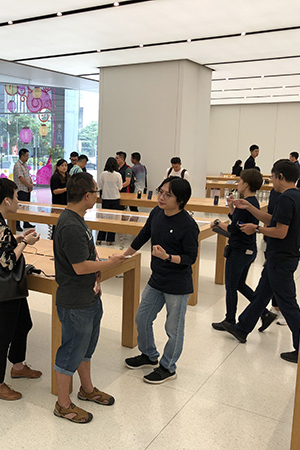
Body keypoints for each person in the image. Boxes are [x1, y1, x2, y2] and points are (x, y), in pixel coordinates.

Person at [53, 172, 126, 423]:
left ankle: (87, 389)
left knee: (85, 348)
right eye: (95, 191)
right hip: (75, 301)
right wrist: (111, 263)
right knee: (71, 351)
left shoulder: (78, 220)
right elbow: (80, 267)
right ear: (87, 195)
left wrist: (97, 278)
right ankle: (63, 404)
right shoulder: (71, 226)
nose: (97, 195)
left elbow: (87, 260)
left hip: (89, 295)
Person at [220, 159, 300, 363]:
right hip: (279, 257)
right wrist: (249, 208)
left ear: (281, 177)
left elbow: (280, 231)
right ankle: (242, 328)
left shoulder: (286, 199)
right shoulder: (297, 196)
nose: (271, 181)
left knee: (288, 303)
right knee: (261, 295)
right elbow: (274, 220)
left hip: (281, 259)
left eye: (273, 176)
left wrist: (256, 229)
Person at [123, 176, 199, 383]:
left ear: (180, 200)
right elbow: (143, 235)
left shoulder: (188, 225)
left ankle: (168, 367)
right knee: (142, 318)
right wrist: (124, 255)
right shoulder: (157, 212)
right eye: (161, 192)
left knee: (173, 329)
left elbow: (190, 258)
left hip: (177, 284)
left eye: (168, 195)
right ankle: (149, 355)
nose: (161, 197)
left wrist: (167, 257)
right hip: (157, 278)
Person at [0, 178, 42, 400]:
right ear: (7, 200)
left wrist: (18, 238)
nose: (18, 201)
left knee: (24, 323)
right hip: (6, 285)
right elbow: (7, 261)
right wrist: (26, 243)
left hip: (7, 285)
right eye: (16, 197)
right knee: (4, 334)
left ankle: (17, 366)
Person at [210, 169, 264, 329]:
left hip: (239, 250)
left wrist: (218, 223)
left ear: (246, 184)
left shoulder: (245, 204)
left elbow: (233, 229)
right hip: (249, 250)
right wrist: (231, 208)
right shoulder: (252, 202)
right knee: (239, 284)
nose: (238, 184)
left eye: (240, 181)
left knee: (231, 286)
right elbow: (238, 222)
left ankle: (229, 320)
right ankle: (264, 313)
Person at [96, 157, 122, 246]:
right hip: (115, 198)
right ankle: (109, 240)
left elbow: (100, 186)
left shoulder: (102, 174)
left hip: (105, 198)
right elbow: (120, 187)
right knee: (113, 220)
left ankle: (100, 238)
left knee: (104, 219)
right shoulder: (118, 175)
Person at [13, 148, 34, 231]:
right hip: (21, 190)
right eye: (26, 156)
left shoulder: (24, 165)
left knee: (26, 207)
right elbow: (21, 178)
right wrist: (29, 185)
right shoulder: (18, 165)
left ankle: (26, 223)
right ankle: (17, 224)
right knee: (19, 207)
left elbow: (27, 176)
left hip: (26, 189)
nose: (28, 157)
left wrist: (31, 184)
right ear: (22, 156)